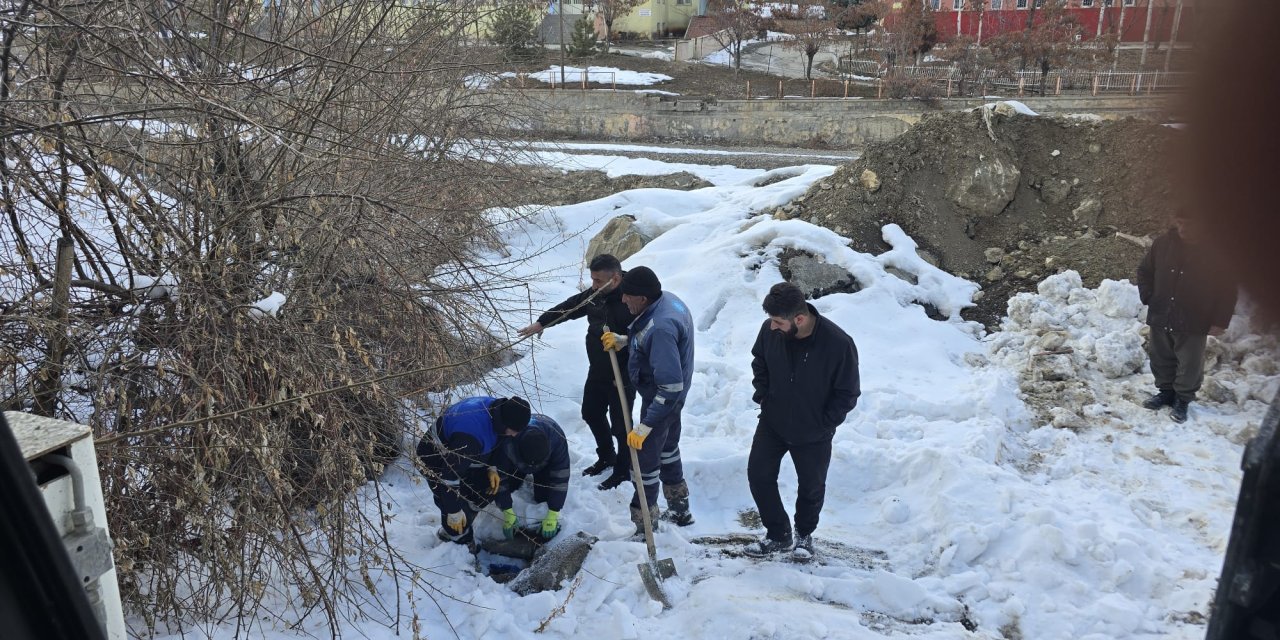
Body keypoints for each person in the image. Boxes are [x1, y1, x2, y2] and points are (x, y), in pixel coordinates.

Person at [744, 282, 859, 562]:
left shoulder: (838, 344)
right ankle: (778, 534)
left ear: (800, 319)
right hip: (773, 422)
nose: (772, 327)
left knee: (811, 486)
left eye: (778, 322)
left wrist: (824, 422)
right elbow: (759, 361)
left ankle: (804, 536)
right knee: (758, 475)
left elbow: (848, 392)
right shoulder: (769, 331)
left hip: (813, 430)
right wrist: (764, 395)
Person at [518, 254, 637, 490]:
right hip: (599, 368)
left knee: (621, 424)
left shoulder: (631, 297)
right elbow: (571, 306)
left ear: (614, 278)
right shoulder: (596, 295)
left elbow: (647, 334)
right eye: (591, 279)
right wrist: (543, 322)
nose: (592, 285)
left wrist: (625, 341)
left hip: (622, 372)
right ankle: (607, 456)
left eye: (597, 280)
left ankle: (624, 469)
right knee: (591, 413)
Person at [601, 266, 695, 534]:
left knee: (644, 463)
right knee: (668, 449)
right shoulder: (666, 300)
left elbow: (670, 384)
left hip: (663, 400)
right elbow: (650, 334)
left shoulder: (661, 328)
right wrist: (626, 340)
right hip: (670, 399)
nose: (622, 300)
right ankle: (680, 509)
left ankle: (645, 526)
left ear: (642, 298)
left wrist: (647, 424)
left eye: (627, 295)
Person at [1135, 209, 1237, 423]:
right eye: (1180, 223)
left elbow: (1227, 289)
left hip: (1194, 316)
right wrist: (1148, 295)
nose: (1183, 229)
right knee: (1160, 356)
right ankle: (1165, 392)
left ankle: (1182, 398)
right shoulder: (1163, 244)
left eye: (1189, 224)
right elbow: (1144, 271)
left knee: (1189, 362)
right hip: (1162, 312)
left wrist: (1220, 320)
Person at [415, 396, 531, 545]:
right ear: (504, 423)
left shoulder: (498, 410)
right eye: (513, 431)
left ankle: (466, 511)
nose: (515, 435)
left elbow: (498, 440)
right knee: (448, 501)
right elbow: (449, 476)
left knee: (477, 486)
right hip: (433, 457)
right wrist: (454, 511)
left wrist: (492, 467)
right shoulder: (470, 436)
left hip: (459, 451)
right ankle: (457, 540)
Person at [490, 413, 571, 541]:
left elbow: (560, 477)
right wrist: (507, 510)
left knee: (543, 497)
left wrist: (554, 511)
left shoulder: (557, 439)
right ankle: (522, 472)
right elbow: (501, 477)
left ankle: (539, 473)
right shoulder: (508, 441)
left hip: (544, 465)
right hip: (518, 463)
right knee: (510, 487)